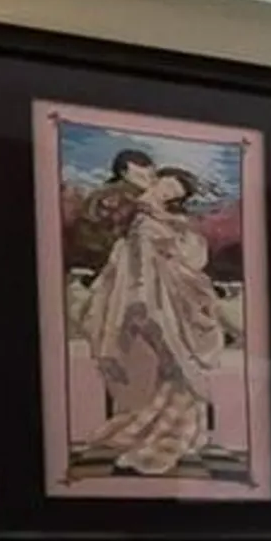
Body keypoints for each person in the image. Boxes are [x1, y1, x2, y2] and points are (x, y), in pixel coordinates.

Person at [73, 150, 230, 478]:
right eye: (167, 185)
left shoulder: (169, 221)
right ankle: (159, 430)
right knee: (166, 362)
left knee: (178, 363)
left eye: (175, 193)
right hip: (153, 296)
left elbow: (193, 258)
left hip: (179, 297)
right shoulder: (137, 217)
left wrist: (174, 234)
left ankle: (177, 432)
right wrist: (142, 297)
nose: (166, 191)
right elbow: (136, 263)